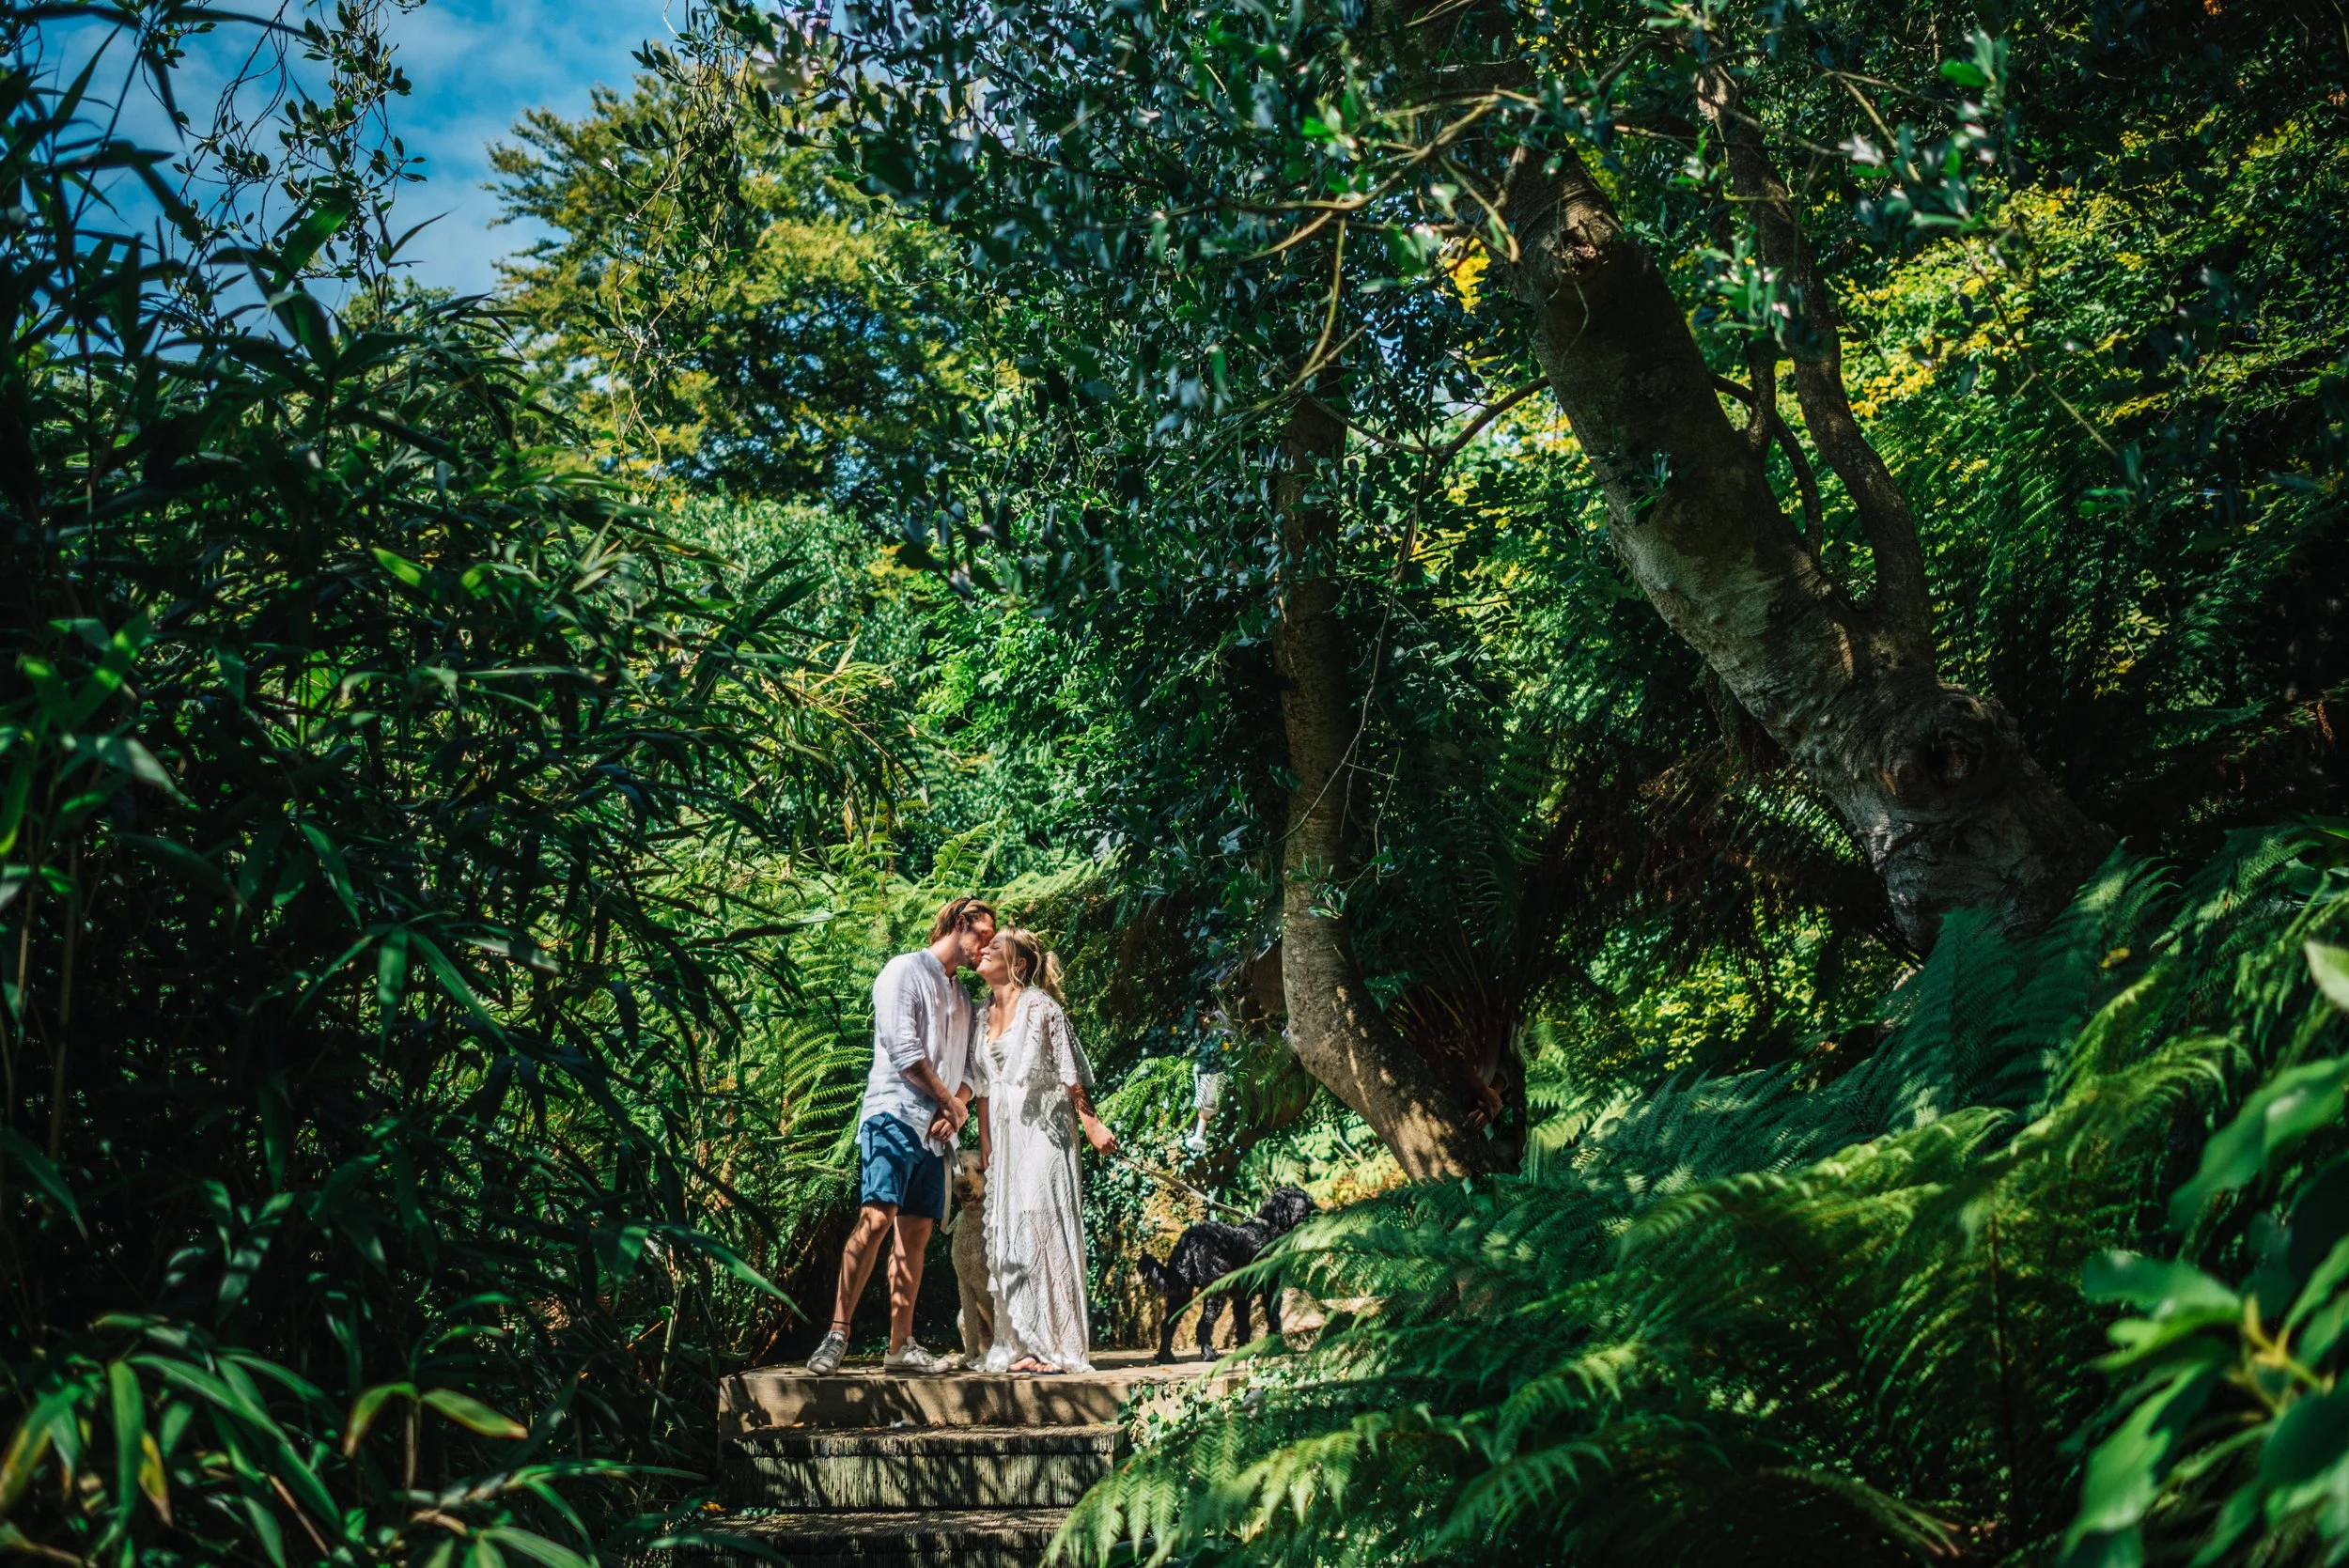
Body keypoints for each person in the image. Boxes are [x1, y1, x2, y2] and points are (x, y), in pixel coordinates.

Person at [804, 896, 997, 1375]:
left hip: (936, 1134)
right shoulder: (903, 971)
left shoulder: (964, 997)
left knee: (915, 1234)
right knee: (875, 1218)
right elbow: (901, 1044)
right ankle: (837, 1334)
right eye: (983, 936)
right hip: (892, 1115)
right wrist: (948, 1100)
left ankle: (900, 1346)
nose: (985, 947)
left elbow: (974, 1070)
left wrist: (957, 1107)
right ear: (959, 924)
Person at [969, 926, 1118, 1374]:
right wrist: (987, 1148)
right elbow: (982, 1088)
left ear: (1017, 964)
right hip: (1007, 1135)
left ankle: (1054, 1344)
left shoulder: (1040, 1006)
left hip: (1046, 1129)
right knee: (1010, 1225)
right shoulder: (981, 1014)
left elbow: (1070, 1072)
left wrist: (1091, 1122)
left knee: (1041, 1221)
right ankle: (1018, 1345)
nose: (984, 951)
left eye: (994, 947)